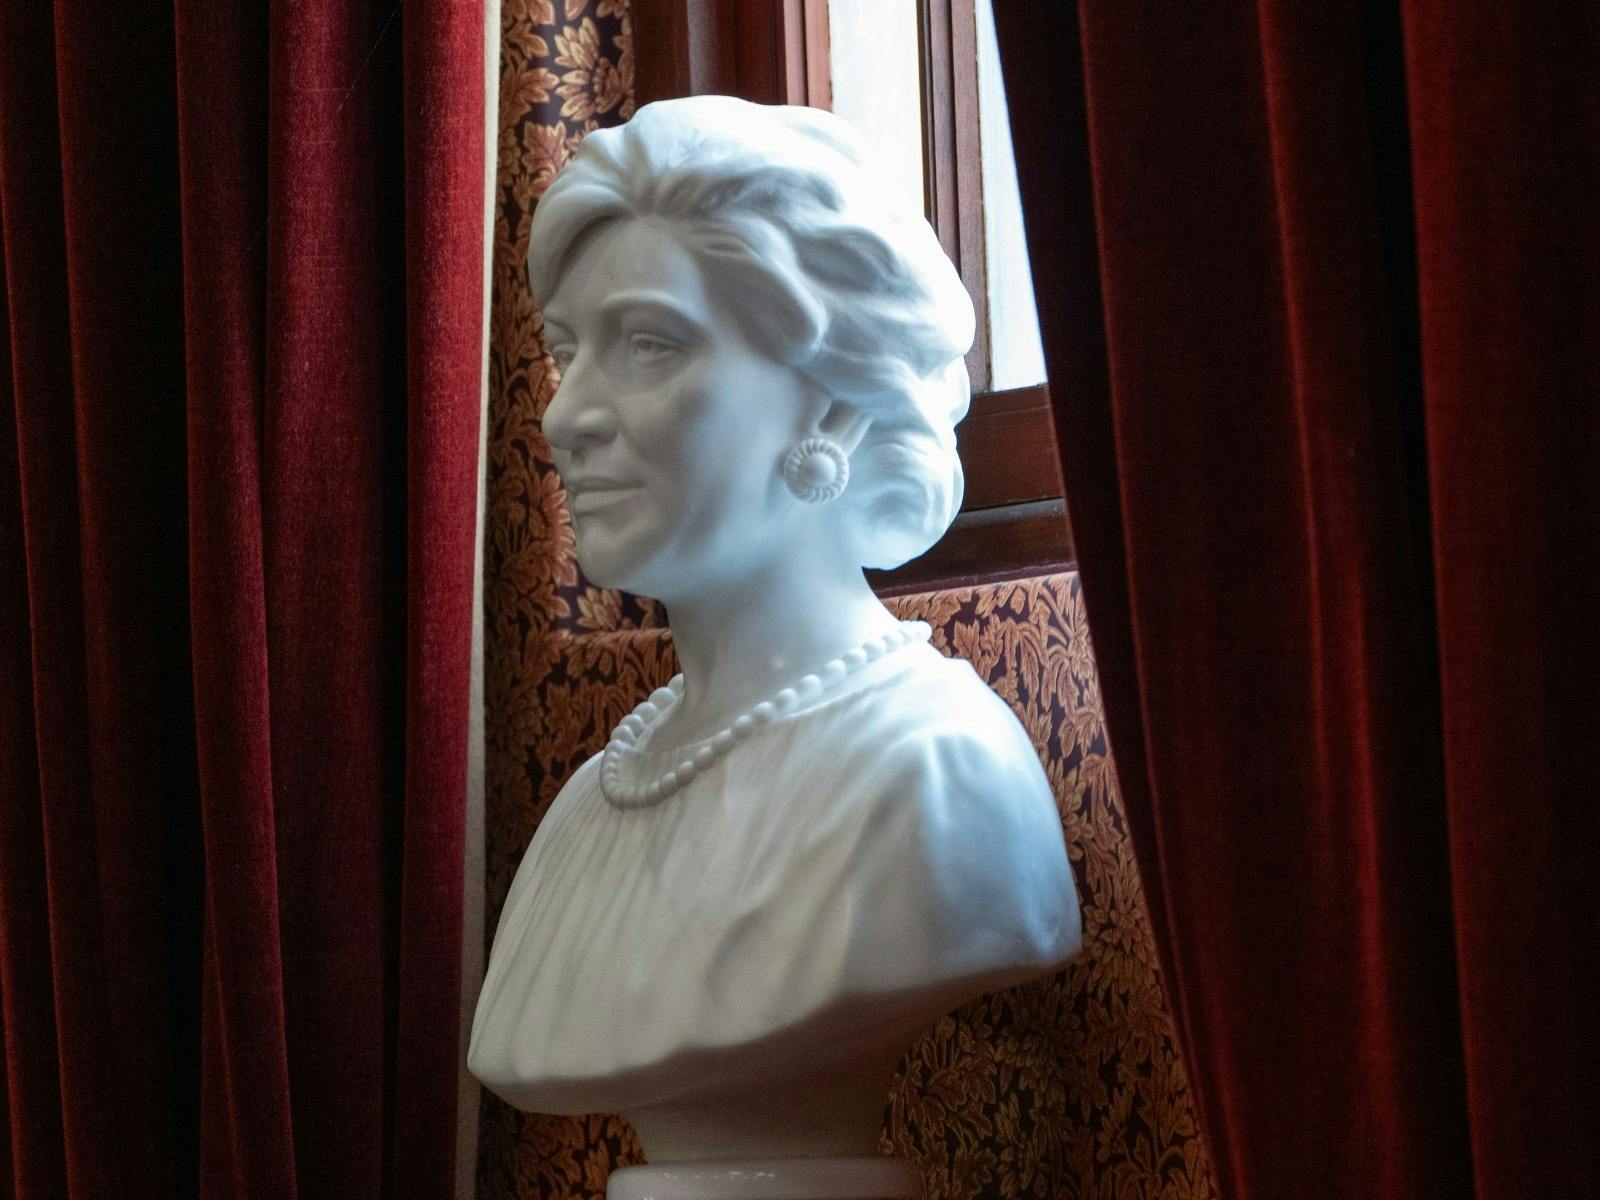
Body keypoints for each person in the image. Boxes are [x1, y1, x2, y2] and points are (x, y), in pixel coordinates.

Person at [468, 95, 1081, 1166]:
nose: (567, 415)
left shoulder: (936, 777)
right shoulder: (592, 801)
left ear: (832, 404)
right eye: (570, 352)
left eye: (650, 345)